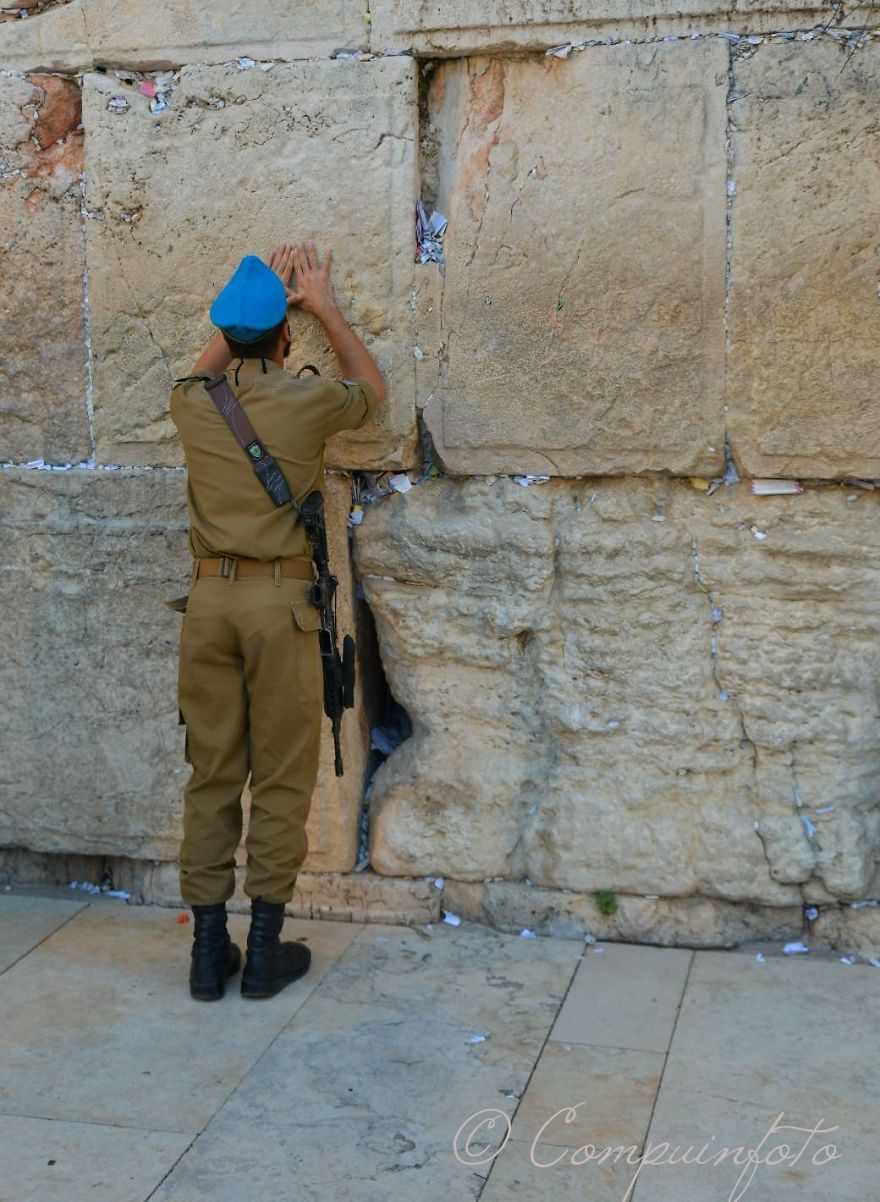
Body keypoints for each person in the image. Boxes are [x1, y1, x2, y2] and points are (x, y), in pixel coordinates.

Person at [169, 240, 385, 1002]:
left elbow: (205, 367)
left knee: (212, 775)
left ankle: (205, 955)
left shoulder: (193, 403)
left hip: (208, 608)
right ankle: (262, 952)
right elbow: (372, 392)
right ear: (286, 337)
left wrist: (244, 310)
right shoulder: (307, 402)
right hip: (280, 610)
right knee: (281, 777)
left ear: (229, 334)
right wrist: (321, 303)